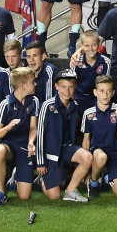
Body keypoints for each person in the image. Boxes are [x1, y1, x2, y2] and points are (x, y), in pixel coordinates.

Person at [34, 69, 92, 203]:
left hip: (66, 148)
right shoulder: (47, 106)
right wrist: (40, 162)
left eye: (70, 87)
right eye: (63, 87)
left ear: (75, 87)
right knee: (54, 196)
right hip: (50, 153)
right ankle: (42, 179)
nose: (67, 91)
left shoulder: (74, 105)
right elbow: (40, 134)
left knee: (88, 157)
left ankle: (70, 191)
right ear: (56, 87)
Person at [0, 67, 39, 206]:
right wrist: (8, 126)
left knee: (24, 196)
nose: (35, 84)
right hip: (9, 146)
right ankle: (0, 193)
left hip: (25, 147)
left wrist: (31, 142)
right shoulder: (5, 104)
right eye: (32, 81)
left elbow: (33, 128)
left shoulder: (33, 101)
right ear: (22, 86)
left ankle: (13, 178)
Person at [81, 75, 117, 199]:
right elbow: (86, 140)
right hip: (98, 152)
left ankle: (107, 178)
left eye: (108, 91)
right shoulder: (88, 113)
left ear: (113, 93)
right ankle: (94, 182)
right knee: (102, 157)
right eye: (102, 91)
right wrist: (86, 170)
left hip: (115, 153)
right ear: (95, 92)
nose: (105, 95)